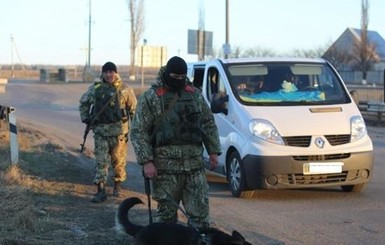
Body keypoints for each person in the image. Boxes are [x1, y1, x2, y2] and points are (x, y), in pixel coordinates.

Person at [130, 56, 221, 228]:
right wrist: (147, 161)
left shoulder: (194, 95)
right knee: (167, 219)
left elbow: (207, 123)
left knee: (200, 218)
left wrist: (213, 151)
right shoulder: (152, 97)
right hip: (165, 169)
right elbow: (139, 131)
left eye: (182, 77)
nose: (178, 81)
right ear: (167, 73)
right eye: (175, 77)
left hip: (194, 166)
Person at [79, 61, 137, 203]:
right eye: (106, 72)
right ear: (102, 73)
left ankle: (117, 186)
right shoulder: (95, 89)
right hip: (101, 133)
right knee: (101, 162)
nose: (109, 75)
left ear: (116, 73)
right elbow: (83, 103)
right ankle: (101, 190)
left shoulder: (125, 90)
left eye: (111, 72)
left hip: (119, 133)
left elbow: (134, 110)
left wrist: (137, 127)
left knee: (118, 161)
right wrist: (86, 118)